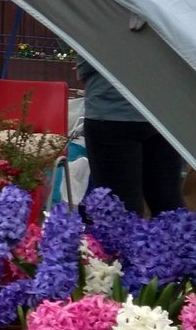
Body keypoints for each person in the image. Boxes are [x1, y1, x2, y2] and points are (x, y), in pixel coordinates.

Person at [77, 58, 184, 216]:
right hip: (164, 110)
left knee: (119, 209)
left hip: (111, 109)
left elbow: (87, 60)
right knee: (168, 203)